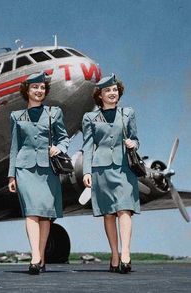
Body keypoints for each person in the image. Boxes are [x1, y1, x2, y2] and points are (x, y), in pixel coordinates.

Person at [8, 72, 69, 275]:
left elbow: (64, 138)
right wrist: (11, 175)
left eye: (42, 88)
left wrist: (59, 149)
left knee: (46, 214)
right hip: (25, 169)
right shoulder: (16, 117)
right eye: (35, 87)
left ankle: (41, 256)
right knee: (31, 211)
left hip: (48, 169)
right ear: (27, 90)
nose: (39, 91)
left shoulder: (54, 113)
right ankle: (35, 256)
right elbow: (14, 148)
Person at [82, 74, 140, 274]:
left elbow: (135, 138)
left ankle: (125, 253)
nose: (112, 93)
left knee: (125, 209)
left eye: (115, 90)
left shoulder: (127, 113)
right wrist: (86, 172)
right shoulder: (89, 118)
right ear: (100, 95)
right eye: (108, 90)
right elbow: (88, 147)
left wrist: (134, 143)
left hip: (125, 168)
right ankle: (114, 254)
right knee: (108, 214)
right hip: (101, 169)